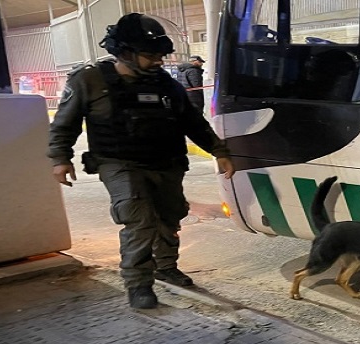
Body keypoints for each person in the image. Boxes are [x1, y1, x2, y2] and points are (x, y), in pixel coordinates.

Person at [48, 13, 235, 309]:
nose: (159, 61)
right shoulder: (90, 80)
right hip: (119, 162)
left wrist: (219, 151)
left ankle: (166, 267)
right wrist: (60, 158)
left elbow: (192, 122)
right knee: (139, 220)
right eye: (150, 55)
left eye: (161, 55)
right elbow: (64, 123)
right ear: (125, 52)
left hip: (167, 161)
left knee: (170, 216)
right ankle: (138, 284)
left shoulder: (166, 84)